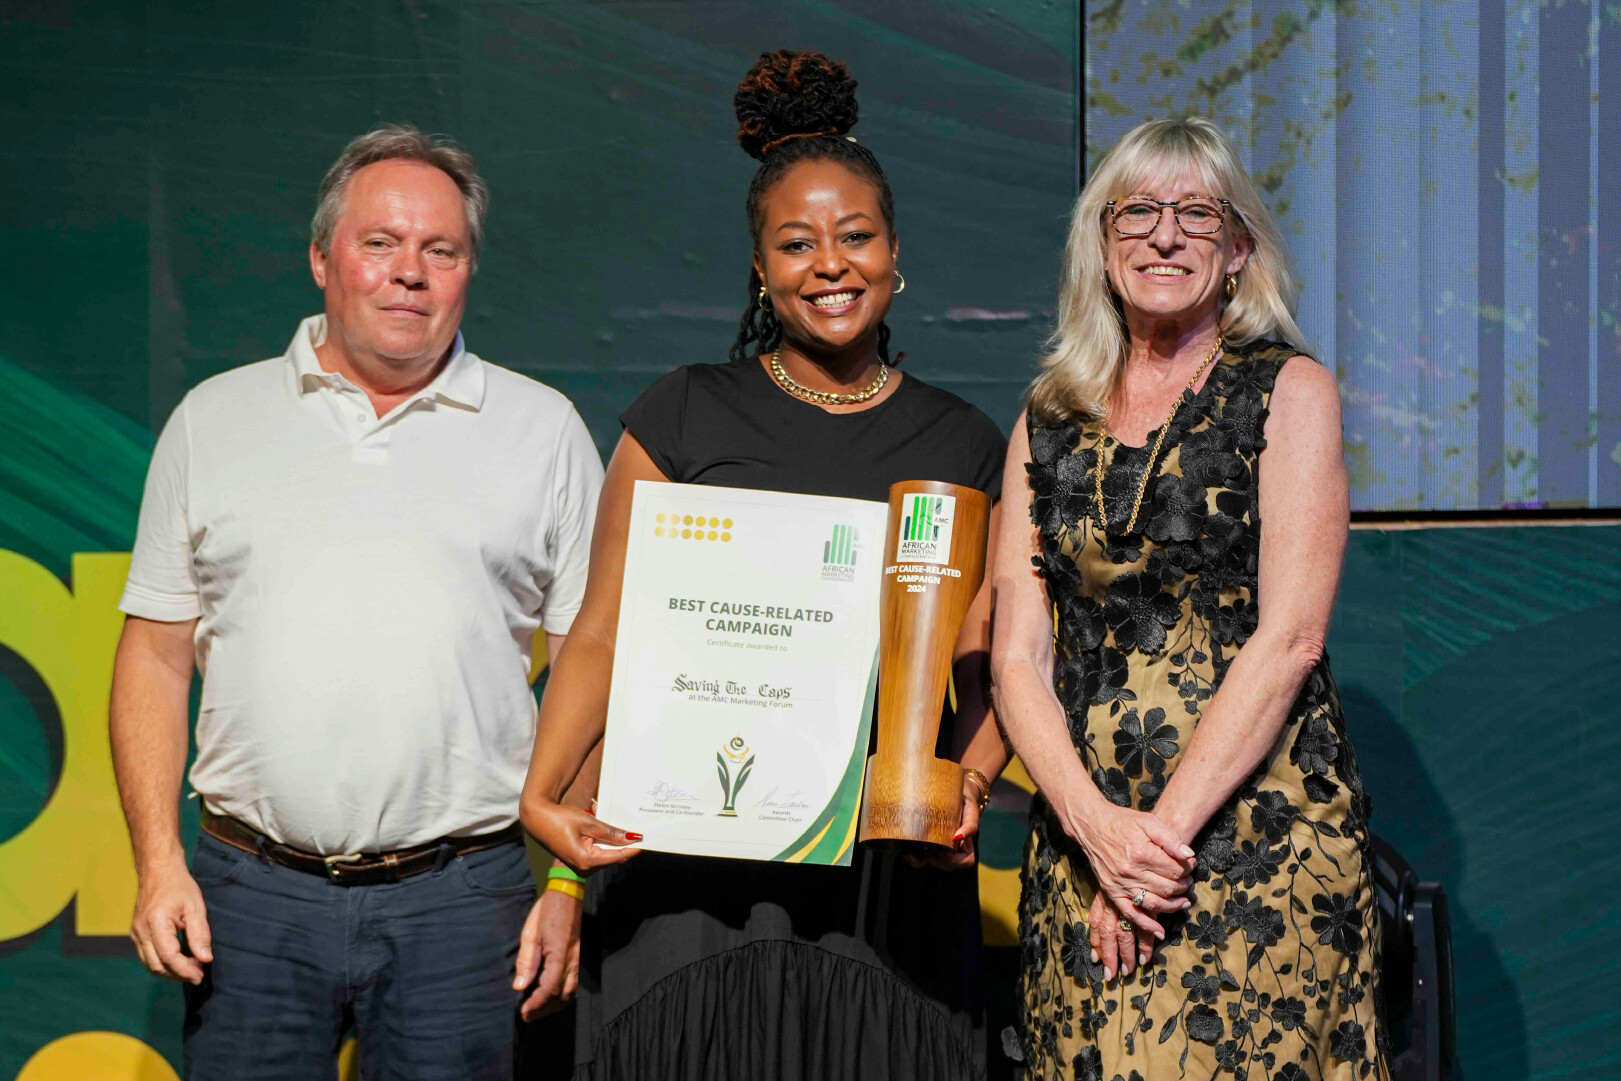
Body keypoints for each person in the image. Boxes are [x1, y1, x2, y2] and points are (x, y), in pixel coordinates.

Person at [519, 51, 1009, 1081]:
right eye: (796, 244)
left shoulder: (964, 442)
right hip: (684, 889)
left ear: (893, 250)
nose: (829, 264)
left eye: (855, 236)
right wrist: (542, 790)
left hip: (884, 885)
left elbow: (991, 662)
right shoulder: (683, 413)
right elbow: (604, 626)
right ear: (760, 268)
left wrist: (969, 782)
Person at [109, 124, 603, 1079]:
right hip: (247, 900)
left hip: (466, 901)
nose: (408, 272)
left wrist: (568, 883)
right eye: (380, 243)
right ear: (321, 258)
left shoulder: (543, 431)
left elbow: (595, 663)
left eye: (440, 249)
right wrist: (160, 862)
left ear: (467, 270)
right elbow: (155, 653)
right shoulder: (214, 420)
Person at [990, 116, 1389, 1080]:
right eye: (1137, 211)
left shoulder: (1287, 389)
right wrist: (1095, 830)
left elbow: (1290, 637)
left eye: (1195, 214)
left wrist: (1151, 846)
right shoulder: (1046, 414)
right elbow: (1015, 652)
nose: (1164, 235)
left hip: (1247, 842)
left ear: (1237, 249)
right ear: (1100, 239)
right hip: (1083, 849)